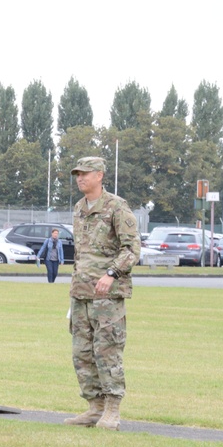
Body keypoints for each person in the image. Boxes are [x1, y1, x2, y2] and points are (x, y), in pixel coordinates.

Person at [64, 157, 141, 430]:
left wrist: (112, 274)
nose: (80, 178)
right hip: (81, 293)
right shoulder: (78, 209)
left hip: (107, 296)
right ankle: (94, 407)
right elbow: (80, 255)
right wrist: (72, 298)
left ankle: (112, 409)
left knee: (107, 351)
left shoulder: (116, 207)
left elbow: (131, 250)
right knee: (82, 353)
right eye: (77, 174)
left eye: (84, 174)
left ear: (99, 175)